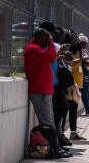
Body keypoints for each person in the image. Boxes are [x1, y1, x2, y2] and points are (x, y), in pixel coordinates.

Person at [24, 29, 70, 158]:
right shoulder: (33, 49)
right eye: (46, 39)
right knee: (47, 123)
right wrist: (51, 43)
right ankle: (54, 150)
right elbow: (50, 56)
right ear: (39, 38)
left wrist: (57, 51)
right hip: (40, 91)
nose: (48, 42)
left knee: (48, 123)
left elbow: (50, 58)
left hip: (44, 90)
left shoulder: (38, 50)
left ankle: (52, 149)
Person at [39, 22, 73, 147]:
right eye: (52, 33)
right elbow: (50, 59)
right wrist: (61, 53)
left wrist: (64, 56)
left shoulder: (52, 46)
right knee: (51, 116)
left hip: (55, 84)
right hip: (48, 85)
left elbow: (54, 59)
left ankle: (57, 139)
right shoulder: (42, 46)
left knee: (60, 111)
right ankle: (54, 142)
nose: (54, 36)